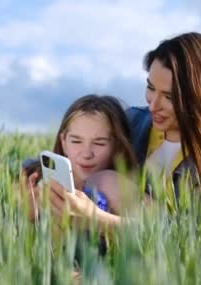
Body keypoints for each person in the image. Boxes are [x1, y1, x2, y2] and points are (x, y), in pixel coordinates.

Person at [46, 32, 201, 231]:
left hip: (162, 262)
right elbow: (81, 154)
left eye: (169, 97)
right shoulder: (134, 122)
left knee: (108, 181)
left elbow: (194, 241)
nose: (153, 105)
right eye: (150, 87)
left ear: (200, 98)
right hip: (103, 250)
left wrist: (100, 221)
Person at [18, 94, 137, 222]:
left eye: (99, 143)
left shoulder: (117, 187)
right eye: (76, 141)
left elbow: (152, 230)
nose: (86, 154)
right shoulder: (32, 178)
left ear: (117, 147)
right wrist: (28, 217)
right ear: (63, 141)